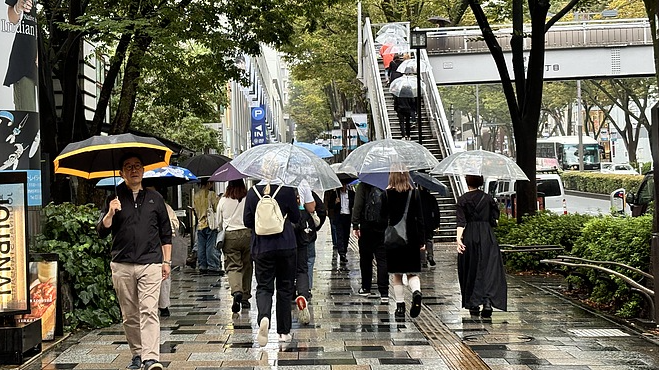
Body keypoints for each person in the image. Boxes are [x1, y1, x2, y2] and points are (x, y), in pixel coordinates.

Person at [97, 153, 171, 370]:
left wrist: (166, 261)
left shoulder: (155, 198)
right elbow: (101, 230)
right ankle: (137, 354)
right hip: (122, 264)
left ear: (144, 170)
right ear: (121, 173)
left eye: (138, 166)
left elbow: (166, 233)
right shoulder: (114, 197)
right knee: (129, 315)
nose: (134, 170)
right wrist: (110, 212)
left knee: (149, 310)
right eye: (128, 167)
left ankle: (150, 357)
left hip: (150, 263)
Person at [243, 181, 300, 346]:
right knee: (285, 287)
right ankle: (283, 332)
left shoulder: (252, 192)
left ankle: (264, 317)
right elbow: (296, 217)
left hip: (261, 247)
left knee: (264, 287)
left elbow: (247, 221)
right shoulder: (287, 190)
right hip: (286, 245)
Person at [456, 175, 507, 318]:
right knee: (488, 269)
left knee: (470, 268)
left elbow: (461, 222)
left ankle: (473, 302)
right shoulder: (488, 198)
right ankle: (487, 302)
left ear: (467, 183)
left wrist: (458, 239)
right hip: (487, 236)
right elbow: (494, 219)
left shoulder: (462, 200)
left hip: (470, 236)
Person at [384, 169, 425, 318]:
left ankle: (400, 307)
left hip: (394, 239)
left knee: (397, 275)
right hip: (412, 238)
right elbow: (420, 218)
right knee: (413, 272)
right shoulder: (414, 193)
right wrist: (422, 240)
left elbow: (382, 217)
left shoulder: (386, 194)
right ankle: (416, 292)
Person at [217, 179, 252, 313]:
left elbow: (218, 222)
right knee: (247, 266)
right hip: (247, 234)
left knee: (233, 266)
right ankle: (245, 297)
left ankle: (236, 290)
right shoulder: (248, 198)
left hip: (230, 236)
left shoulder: (223, 200)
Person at [352, 182, 389, 303]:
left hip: (366, 226)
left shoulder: (363, 185)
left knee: (366, 258)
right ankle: (384, 291)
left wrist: (355, 224)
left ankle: (366, 287)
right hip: (383, 227)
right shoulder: (386, 184)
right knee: (382, 259)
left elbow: (358, 205)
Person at [4, 0, 38, 112]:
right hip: (24, 61)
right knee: (27, 116)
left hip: (40, 59)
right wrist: (18, 8)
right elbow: (11, 18)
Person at [152, 186, 179, 318]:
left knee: (164, 275)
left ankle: (163, 305)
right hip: (147, 247)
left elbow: (174, 224)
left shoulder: (165, 207)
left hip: (162, 245)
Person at [193, 180, 222, 275]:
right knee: (210, 245)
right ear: (208, 183)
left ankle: (202, 265)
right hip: (210, 224)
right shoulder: (211, 194)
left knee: (201, 246)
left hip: (200, 224)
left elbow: (195, 210)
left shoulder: (196, 195)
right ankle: (213, 265)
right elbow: (216, 208)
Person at [326, 181, 355, 265]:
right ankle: (341, 253)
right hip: (339, 217)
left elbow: (354, 204)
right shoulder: (335, 194)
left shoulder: (351, 193)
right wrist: (335, 203)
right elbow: (330, 205)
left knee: (346, 235)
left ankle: (344, 251)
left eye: (344, 185)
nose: (343, 186)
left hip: (348, 216)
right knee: (340, 234)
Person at [418, 185, 440, 268]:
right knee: (429, 239)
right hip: (429, 221)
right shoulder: (431, 197)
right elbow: (436, 211)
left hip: (419, 222)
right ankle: (430, 256)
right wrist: (437, 223)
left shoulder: (416, 197)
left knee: (421, 240)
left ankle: (423, 260)